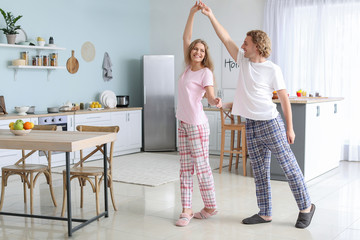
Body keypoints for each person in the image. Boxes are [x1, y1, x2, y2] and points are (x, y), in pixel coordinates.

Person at [198, 1, 315, 229]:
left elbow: (283, 100)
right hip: (250, 126)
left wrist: (289, 128)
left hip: (271, 124)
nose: (242, 45)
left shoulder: (273, 69)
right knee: (260, 172)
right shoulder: (243, 61)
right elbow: (226, 38)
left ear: (258, 47)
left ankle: (306, 207)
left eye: (246, 43)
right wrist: (211, 16)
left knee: (290, 168)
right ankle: (265, 213)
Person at [175, 1, 222, 227]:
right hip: (182, 123)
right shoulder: (186, 69)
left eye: (202, 50)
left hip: (197, 125)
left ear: (204, 55)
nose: (197, 51)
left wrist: (215, 100)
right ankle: (186, 209)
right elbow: (186, 36)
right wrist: (192, 13)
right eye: (195, 48)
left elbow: (210, 95)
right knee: (185, 168)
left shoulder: (206, 73)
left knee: (201, 168)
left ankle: (210, 206)